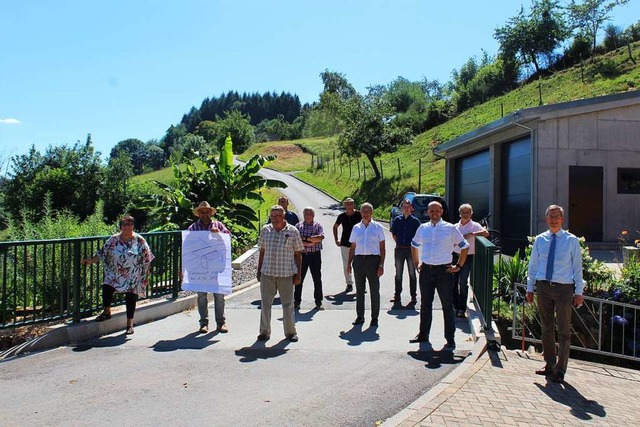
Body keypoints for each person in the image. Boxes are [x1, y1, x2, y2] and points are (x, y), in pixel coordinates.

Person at [526, 204, 585, 383]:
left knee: (564, 330)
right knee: (546, 328)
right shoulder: (540, 240)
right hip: (543, 287)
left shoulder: (571, 240)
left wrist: (578, 291)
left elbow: (577, 267)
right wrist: (530, 288)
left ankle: (561, 369)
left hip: (564, 289)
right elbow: (533, 265)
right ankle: (549, 364)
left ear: (562, 219)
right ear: (546, 219)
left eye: (557, 216)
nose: (553, 219)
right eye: (550, 216)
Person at [81, 214, 154, 335]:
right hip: (115, 273)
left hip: (132, 275)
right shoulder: (114, 239)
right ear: (121, 227)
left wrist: (146, 274)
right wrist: (90, 261)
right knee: (106, 287)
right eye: (124, 224)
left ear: (133, 226)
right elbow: (103, 253)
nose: (127, 227)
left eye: (129, 224)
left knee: (131, 296)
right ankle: (107, 311)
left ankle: (129, 324)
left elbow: (147, 257)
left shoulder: (139, 240)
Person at [410, 201, 468, 349]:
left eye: (437, 210)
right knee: (425, 305)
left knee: (447, 306)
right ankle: (423, 335)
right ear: (427, 212)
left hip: (444, 271)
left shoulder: (450, 229)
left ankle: (450, 339)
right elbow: (414, 245)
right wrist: (417, 263)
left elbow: (464, 246)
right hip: (426, 271)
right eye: (431, 211)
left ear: (441, 212)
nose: (434, 213)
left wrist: (459, 266)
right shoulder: (422, 228)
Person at [256, 205, 304, 342]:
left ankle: (290, 332)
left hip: (286, 273)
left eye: (278, 216)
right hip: (268, 273)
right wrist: (259, 270)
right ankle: (264, 332)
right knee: (265, 303)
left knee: (288, 304)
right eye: (273, 216)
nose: (275, 219)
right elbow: (262, 251)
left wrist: (298, 274)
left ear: (283, 216)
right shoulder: (266, 230)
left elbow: (298, 254)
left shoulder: (293, 231)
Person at [187, 201, 231, 334]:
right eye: (202, 212)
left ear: (211, 213)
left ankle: (221, 322)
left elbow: (229, 239)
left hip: (216, 265)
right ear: (198, 214)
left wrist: (219, 235)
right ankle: (203, 323)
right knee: (201, 295)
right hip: (200, 267)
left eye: (207, 212)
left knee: (219, 295)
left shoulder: (219, 225)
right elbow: (187, 247)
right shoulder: (193, 228)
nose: (205, 214)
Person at [347, 203, 386, 327]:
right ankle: (360, 316)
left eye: (368, 211)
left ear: (371, 213)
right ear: (361, 213)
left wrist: (381, 265)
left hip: (373, 261)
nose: (365, 213)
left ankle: (374, 318)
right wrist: (349, 263)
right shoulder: (356, 228)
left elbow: (382, 248)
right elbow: (352, 247)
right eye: (363, 211)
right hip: (358, 261)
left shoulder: (378, 227)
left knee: (374, 291)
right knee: (359, 291)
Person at [452, 204, 489, 318]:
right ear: (460, 213)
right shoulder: (455, 226)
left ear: (471, 213)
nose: (465, 214)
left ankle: (462, 308)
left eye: (467, 212)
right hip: (455, 255)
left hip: (467, 257)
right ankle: (455, 305)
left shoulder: (475, 226)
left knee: (463, 282)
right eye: (463, 212)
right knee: (453, 282)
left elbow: (486, 233)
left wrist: (472, 234)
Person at [390, 198, 421, 306]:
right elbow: (394, 234)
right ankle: (397, 295)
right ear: (401, 208)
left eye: (408, 207)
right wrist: (399, 243)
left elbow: (419, 236)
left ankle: (413, 296)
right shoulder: (397, 220)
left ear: (411, 208)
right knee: (398, 274)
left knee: (412, 274)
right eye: (404, 207)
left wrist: (413, 246)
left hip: (410, 250)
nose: (406, 209)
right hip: (399, 250)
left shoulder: (415, 221)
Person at [294, 207, 325, 310]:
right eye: (306, 214)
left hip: (315, 255)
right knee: (299, 278)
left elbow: (319, 238)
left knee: (317, 278)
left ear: (313, 215)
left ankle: (318, 301)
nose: (308, 216)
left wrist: (305, 239)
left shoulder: (318, 225)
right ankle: (297, 301)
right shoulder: (298, 226)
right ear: (303, 215)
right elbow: (296, 240)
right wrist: (310, 240)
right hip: (302, 256)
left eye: (310, 214)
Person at [333, 197, 362, 293]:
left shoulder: (359, 214)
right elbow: (335, 226)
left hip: (358, 243)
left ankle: (361, 284)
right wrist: (336, 239)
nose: (349, 206)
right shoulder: (341, 216)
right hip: (345, 243)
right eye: (347, 204)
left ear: (354, 205)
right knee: (346, 265)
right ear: (344, 205)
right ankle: (349, 283)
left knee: (359, 265)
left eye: (351, 204)